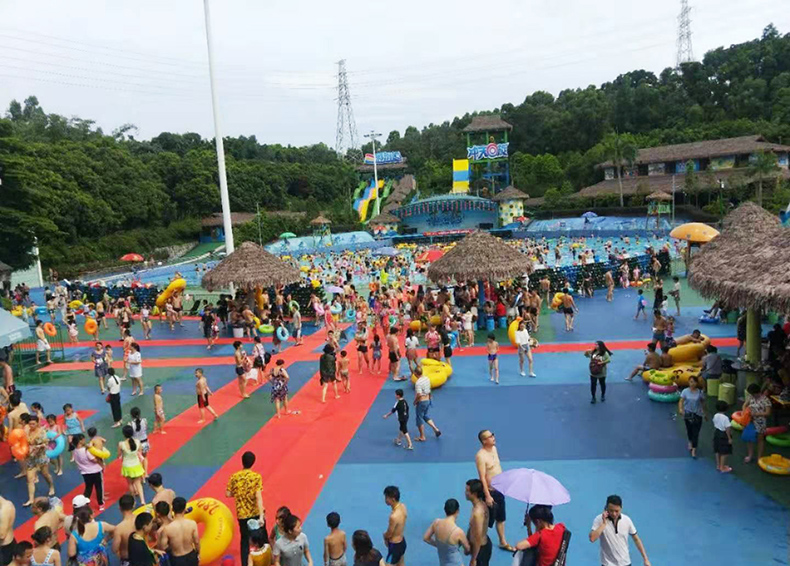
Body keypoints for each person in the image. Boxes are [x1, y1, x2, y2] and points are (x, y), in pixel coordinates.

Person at [226, 451, 267, 566]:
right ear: (253, 462)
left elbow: (228, 494)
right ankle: (264, 561)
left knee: (244, 540)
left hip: (242, 514)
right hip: (255, 513)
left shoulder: (234, 477)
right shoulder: (256, 477)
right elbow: (258, 497)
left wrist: (240, 493)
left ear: (242, 461)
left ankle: (245, 563)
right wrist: (261, 516)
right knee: (261, 539)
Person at [474, 430, 511, 551]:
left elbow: (497, 467)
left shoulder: (494, 449)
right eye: (490, 436)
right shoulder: (480, 456)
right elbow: (482, 477)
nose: (493, 437)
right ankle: (478, 541)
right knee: (485, 520)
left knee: (501, 517)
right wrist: (487, 495)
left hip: (499, 490)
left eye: (492, 435)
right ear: (484, 441)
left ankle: (502, 542)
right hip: (490, 492)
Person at [589, 495, 650, 566]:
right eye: (611, 510)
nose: (614, 514)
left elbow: (636, 539)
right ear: (606, 508)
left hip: (625, 563)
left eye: (616, 511)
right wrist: (604, 524)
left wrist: (645, 559)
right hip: (608, 564)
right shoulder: (599, 519)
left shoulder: (627, 520)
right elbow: (592, 538)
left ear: (621, 508)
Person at [422, 498, 470, 566]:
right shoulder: (458, 532)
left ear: (445, 510)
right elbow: (467, 550)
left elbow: (426, 538)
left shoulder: (436, 523)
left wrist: (439, 545)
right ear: (457, 511)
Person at [23, 417, 56, 507]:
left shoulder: (42, 432)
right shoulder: (27, 431)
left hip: (41, 457)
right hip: (31, 458)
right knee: (30, 479)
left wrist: (39, 446)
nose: (31, 426)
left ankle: (51, 486)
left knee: (45, 474)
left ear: (37, 423)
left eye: (33, 424)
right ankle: (31, 499)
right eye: (30, 424)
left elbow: (46, 444)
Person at [158, 497, 200, 566]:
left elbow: (163, 547)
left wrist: (173, 544)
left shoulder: (167, 529)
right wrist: (198, 553)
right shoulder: (192, 524)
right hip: (191, 556)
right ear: (185, 509)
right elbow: (197, 542)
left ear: (172, 509)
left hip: (177, 559)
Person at [71, 435, 104, 510]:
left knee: (88, 488)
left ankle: (83, 504)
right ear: (80, 441)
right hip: (95, 471)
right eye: (83, 439)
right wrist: (99, 458)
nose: (84, 441)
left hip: (85, 472)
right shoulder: (86, 450)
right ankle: (100, 504)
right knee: (98, 487)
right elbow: (94, 460)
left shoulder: (75, 451)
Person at [465, 480, 492, 566]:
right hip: (482, 546)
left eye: (467, 491)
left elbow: (478, 538)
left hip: (480, 550)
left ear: (474, 494)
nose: (465, 493)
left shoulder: (477, 513)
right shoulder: (481, 504)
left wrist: (473, 559)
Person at [743, 383, 771, 463]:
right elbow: (744, 405)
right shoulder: (751, 397)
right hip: (750, 421)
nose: (752, 395)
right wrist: (745, 413)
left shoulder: (765, 400)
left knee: (760, 439)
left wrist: (756, 414)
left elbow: (768, 413)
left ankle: (759, 457)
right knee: (749, 439)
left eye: (753, 394)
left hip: (760, 422)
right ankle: (750, 455)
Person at [119, 425, 146, 505]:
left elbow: (119, 455)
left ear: (123, 434)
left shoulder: (121, 444)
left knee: (130, 484)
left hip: (127, 466)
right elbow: (140, 451)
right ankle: (142, 500)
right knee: (138, 483)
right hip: (136, 465)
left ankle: (133, 500)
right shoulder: (137, 442)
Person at [413, 367, 441, 441]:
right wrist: (430, 397)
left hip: (422, 402)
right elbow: (429, 389)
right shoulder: (427, 378)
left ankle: (422, 436)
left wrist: (415, 401)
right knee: (425, 415)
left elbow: (419, 394)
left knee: (419, 418)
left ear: (415, 373)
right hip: (428, 399)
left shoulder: (418, 383)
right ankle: (436, 429)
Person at [382, 486, 406, 566]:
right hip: (402, 543)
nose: (385, 500)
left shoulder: (393, 517)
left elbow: (389, 533)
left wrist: (384, 536)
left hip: (394, 547)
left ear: (392, 499)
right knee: (401, 563)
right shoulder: (403, 507)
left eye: (386, 497)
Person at [111, 494, 137, 566]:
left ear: (119, 508)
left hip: (128, 559)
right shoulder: (139, 519)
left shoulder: (119, 528)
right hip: (141, 554)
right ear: (133, 505)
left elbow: (114, 549)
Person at [713, 400, 733, 473]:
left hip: (717, 432)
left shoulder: (715, 415)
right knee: (724, 451)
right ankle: (722, 467)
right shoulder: (725, 418)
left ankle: (718, 465)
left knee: (717, 449)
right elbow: (727, 428)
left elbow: (714, 423)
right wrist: (729, 438)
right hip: (723, 434)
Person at [0, 495, 16, 566]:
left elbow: (2, 535)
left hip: (4, 549)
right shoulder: (8, 503)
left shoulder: (3, 511)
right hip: (9, 543)